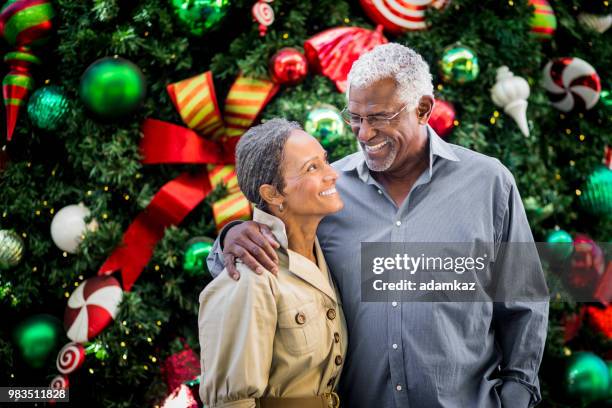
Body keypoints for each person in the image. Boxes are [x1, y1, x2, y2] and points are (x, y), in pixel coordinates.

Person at [208, 44, 549, 408]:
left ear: (423, 109)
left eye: (380, 117)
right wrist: (230, 236)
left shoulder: (488, 182)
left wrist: (516, 395)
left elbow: (524, 299)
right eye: (354, 117)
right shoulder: (325, 189)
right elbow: (255, 278)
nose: (364, 133)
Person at [198, 118, 347, 408]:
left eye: (325, 161)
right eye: (312, 168)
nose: (333, 174)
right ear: (273, 194)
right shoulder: (251, 276)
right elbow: (232, 403)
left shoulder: (322, 253)